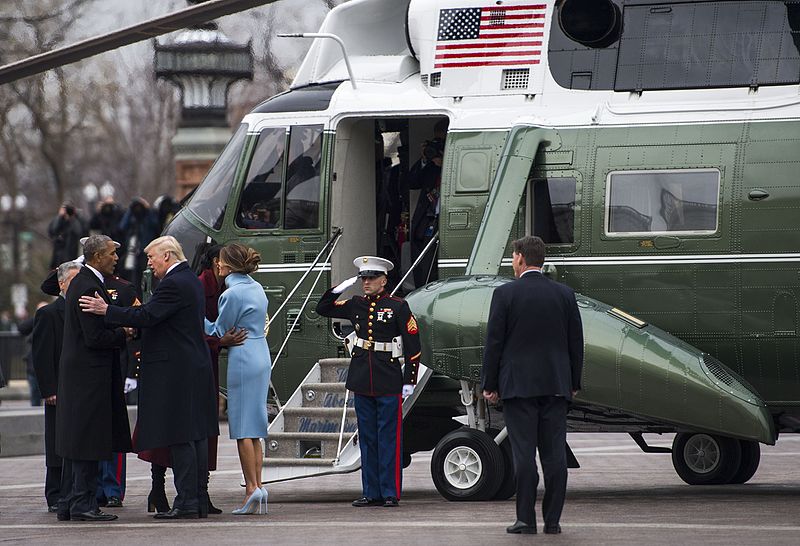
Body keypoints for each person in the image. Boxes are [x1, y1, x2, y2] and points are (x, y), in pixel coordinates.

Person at [79, 235, 219, 520]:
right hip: (191, 366)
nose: (150, 264)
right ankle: (195, 499)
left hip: (177, 371)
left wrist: (108, 310)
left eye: (152, 258)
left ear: (166, 256)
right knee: (195, 435)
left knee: (181, 435)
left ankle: (188, 502)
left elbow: (149, 314)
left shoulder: (174, 283)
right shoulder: (189, 279)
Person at [481, 235, 584, 535]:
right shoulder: (565, 294)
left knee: (523, 455)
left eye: (513, 256)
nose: (512, 261)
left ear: (522, 258)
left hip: (518, 388)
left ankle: (525, 519)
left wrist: (489, 384)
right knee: (555, 457)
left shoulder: (505, 295)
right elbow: (575, 343)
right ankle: (553, 520)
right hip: (556, 385)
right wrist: (573, 381)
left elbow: (494, 344)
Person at [316, 256, 421, 507]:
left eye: (371, 278)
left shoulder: (398, 306)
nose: (366, 282)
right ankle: (370, 491)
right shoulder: (355, 304)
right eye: (363, 278)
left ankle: (389, 492)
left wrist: (409, 383)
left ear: (384, 280)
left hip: (388, 380)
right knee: (367, 439)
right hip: (362, 379)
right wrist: (342, 285)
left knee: (389, 438)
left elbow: (413, 348)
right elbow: (322, 308)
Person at [56, 235, 132, 522]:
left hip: (82, 377)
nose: (116, 258)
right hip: (89, 378)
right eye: (113, 253)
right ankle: (83, 504)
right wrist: (122, 334)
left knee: (79, 441)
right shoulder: (89, 284)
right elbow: (94, 336)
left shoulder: (83, 281)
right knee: (87, 441)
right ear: (98, 255)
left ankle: (73, 502)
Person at [203, 243, 269, 514]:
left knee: (242, 427)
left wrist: (193, 316)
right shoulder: (256, 287)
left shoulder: (231, 293)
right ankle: (259, 485)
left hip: (242, 356)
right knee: (255, 425)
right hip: (260, 352)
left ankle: (252, 488)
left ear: (226, 265)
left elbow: (218, 330)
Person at [32, 261, 81, 512]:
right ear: (62, 284)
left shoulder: (83, 310)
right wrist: (48, 389)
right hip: (59, 389)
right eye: (74, 280)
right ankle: (55, 493)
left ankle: (76, 490)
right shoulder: (49, 314)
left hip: (79, 388)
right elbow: (41, 355)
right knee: (56, 442)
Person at [407, 119, 448, 287]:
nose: (440, 146)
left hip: (449, 218)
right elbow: (412, 182)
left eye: (443, 141)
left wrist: (446, 162)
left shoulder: (461, 159)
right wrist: (425, 159)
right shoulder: (430, 164)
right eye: (437, 141)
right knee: (423, 264)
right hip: (427, 219)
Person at [48, 202, 87, 269]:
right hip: (59, 254)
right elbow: (52, 231)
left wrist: (74, 216)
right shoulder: (59, 221)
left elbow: (80, 231)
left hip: (72, 254)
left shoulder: (76, 221)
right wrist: (59, 217)